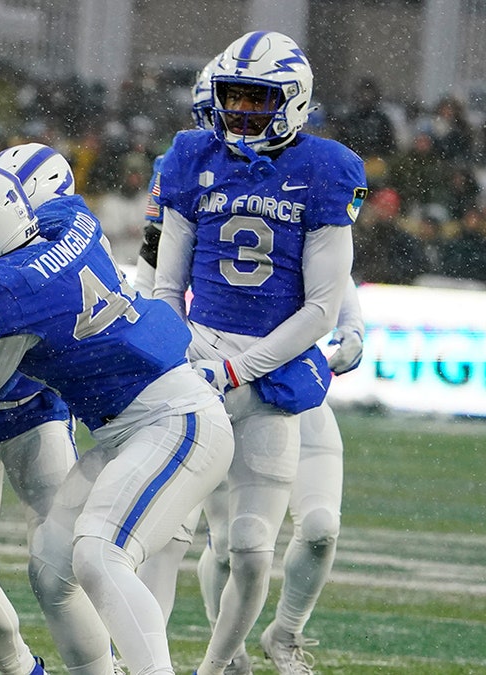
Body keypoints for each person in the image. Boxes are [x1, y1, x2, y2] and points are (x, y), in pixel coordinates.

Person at [0, 161, 234, 675]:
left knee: (98, 555)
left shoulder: (2, 293)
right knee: (53, 568)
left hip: (175, 418)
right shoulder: (68, 220)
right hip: (130, 428)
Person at [136, 53, 367, 675]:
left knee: (269, 539)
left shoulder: (323, 170)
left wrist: (352, 322)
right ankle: (162, 656)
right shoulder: (189, 159)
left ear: (292, 99)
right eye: (231, 97)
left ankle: (278, 640)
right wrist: (175, 347)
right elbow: (158, 279)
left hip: (280, 372)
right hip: (203, 357)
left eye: (255, 98)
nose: (238, 111)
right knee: (171, 531)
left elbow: (322, 289)